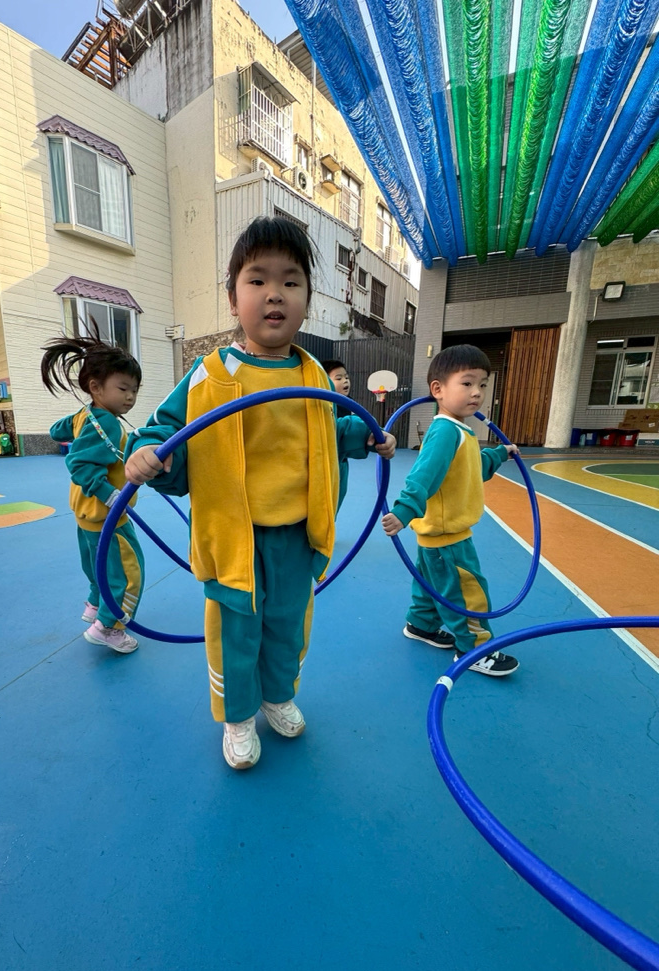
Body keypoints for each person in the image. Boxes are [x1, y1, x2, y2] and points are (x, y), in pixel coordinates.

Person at [125, 216, 396, 768]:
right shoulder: (210, 375)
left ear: (307, 301)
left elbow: (330, 429)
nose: (275, 293)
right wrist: (149, 453)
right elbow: (165, 430)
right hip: (235, 536)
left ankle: (277, 695)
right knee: (237, 630)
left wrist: (369, 436)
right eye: (257, 280)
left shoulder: (314, 374)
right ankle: (239, 716)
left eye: (291, 281)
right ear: (233, 299)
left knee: (288, 624)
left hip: (296, 533)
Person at [381, 343, 520, 677]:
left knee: (431, 585)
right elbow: (423, 475)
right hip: (449, 538)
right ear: (438, 389)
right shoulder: (446, 431)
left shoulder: (460, 431)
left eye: (482, 384)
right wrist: (404, 511)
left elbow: (473, 466)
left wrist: (499, 454)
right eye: (467, 383)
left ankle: (421, 625)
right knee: (467, 591)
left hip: (437, 536)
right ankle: (473, 649)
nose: (477, 392)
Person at [42, 335, 145, 654]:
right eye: (122, 388)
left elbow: (56, 431)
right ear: (96, 387)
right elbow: (79, 464)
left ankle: (95, 604)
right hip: (108, 517)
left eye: (134, 389)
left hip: (85, 517)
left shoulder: (85, 415)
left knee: (97, 566)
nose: (130, 396)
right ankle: (108, 627)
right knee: (127, 574)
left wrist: (80, 418)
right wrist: (110, 494)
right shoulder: (108, 424)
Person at [321, 359, 354, 507]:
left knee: (338, 495)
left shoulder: (349, 403)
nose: (345, 381)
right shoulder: (324, 404)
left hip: (341, 460)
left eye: (346, 377)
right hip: (326, 460)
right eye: (338, 378)